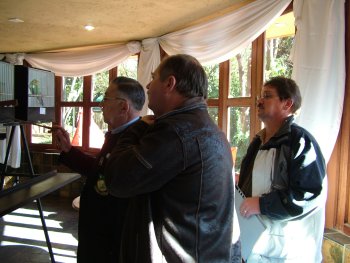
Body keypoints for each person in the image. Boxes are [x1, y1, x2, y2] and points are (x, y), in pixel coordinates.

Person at [104, 54, 235, 262]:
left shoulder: (176, 132)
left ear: (169, 83)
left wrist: (136, 128)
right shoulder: (210, 129)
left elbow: (117, 180)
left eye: (154, 77)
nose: (147, 85)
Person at [54, 76, 145, 263]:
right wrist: (68, 150)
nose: (101, 104)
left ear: (123, 107)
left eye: (105, 99)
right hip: (99, 235)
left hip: (110, 241)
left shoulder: (138, 142)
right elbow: (100, 170)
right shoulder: (118, 135)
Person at [237, 76, 327, 262]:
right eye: (260, 96)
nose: (259, 101)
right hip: (257, 245)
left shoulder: (301, 142)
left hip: (288, 252)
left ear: (287, 104)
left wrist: (263, 204)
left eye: (267, 96)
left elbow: (309, 195)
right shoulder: (258, 142)